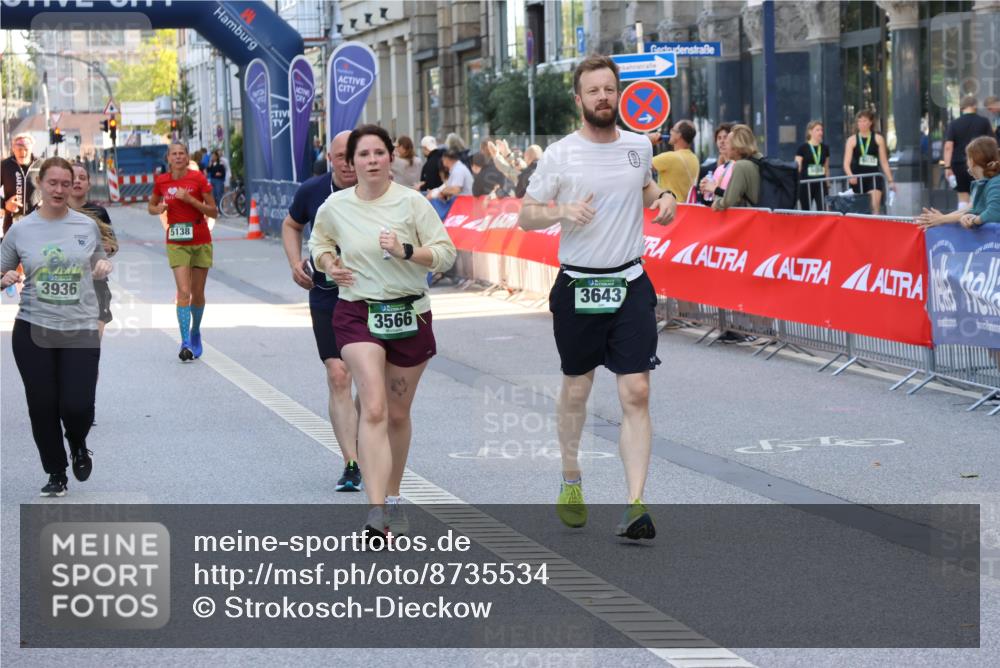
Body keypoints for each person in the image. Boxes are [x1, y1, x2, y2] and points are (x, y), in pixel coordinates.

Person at [517, 55, 677, 540]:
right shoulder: (561, 154)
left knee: (637, 391)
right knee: (578, 388)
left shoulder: (638, 146)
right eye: (594, 91)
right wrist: (562, 209)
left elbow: (648, 191)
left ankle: (635, 504)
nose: (603, 97)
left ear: (618, 93)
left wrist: (665, 200)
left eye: (609, 89)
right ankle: (571, 477)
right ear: (579, 99)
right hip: (579, 285)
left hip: (629, 282)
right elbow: (525, 215)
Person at [309, 124, 457, 538]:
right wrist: (328, 264)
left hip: (410, 314)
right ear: (350, 163)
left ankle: (393, 497)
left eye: (379, 153)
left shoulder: (412, 204)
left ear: (391, 158)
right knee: (372, 407)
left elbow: (446, 253)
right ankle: (376, 513)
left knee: (397, 414)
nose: (372, 160)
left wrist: (406, 251)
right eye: (363, 155)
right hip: (357, 311)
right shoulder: (334, 207)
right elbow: (319, 244)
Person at [1, 157, 113, 497]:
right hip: (33, 328)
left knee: (78, 406)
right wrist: (4, 276)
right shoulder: (21, 229)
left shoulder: (85, 226)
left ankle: (77, 442)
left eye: (66, 183)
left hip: (79, 328)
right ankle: (56, 471)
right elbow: (2, 269)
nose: (60, 190)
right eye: (53, 183)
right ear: (40, 184)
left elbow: (98, 260)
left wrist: (102, 266)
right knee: (42, 404)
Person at [281, 130, 363, 492]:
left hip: (375, 295)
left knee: (375, 380)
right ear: (329, 158)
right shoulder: (313, 191)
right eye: (340, 156)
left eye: (353, 155)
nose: (348, 163)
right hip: (328, 295)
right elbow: (291, 224)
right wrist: (295, 261)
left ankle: (366, 430)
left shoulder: (381, 192)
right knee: (339, 374)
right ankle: (351, 462)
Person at [147, 142, 218, 361]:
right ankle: (185, 341)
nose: (178, 157)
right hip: (176, 241)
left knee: (198, 294)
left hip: (200, 239)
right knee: (183, 292)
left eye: (182, 153)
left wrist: (189, 199)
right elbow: (151, 206)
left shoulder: (198, 180)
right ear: (168, 158)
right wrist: (158, 209)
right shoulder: (162, 181)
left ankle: (195, 331)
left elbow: (213, 210)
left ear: (187, 157)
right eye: (174, 154)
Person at [68, 164, 118, 337]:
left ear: (89, 184)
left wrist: (106, 248)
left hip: (96, 282)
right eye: (73, 177)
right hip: (65, 283)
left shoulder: (99, 212)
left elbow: (113, 245)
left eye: (82, 178)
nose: (77, 181)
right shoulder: (54, 211)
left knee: (93, 342)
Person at [917, 136, 1000, 230]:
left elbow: (994, 213)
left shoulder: (995, 183)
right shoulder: (986, 183)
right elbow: (971, 209)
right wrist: (941, 218)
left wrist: (973, 220)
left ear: (972, 160)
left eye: (967, 157)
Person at [943, 96, 994, 209]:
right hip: (980, 163)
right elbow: (992, 143)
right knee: (979, 193)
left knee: (962, 194)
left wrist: (947, 167)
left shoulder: (954, 124)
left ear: (962, 107)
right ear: (974, 105)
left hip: (959, 164)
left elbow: (948, 146)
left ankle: (962, 222)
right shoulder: (984, 122)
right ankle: (975, 220)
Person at [843, 110, 896, 214]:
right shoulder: (852, 140)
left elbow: (884, 162)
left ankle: (874, 227)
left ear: (870, 122)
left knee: (874, 207)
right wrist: (850, 175)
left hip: (874, 177)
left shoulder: (878, 138)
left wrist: (890, 181)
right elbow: (846, 163)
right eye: (859, 121)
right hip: (857, 178)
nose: (861, 124)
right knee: (859, 210)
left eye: (864, 121)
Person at [712, 125, 761, 211]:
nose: (725, 146)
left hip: (752, 219)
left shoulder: (740, 166)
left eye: (728, 143)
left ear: (736, 148)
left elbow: (728, 201)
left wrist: (716, 203)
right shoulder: (758, 159)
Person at [651, 120, 700, 202]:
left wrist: (650, 142)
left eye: (673, 130)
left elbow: (639, 164)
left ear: (679, 135)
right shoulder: (694, 158)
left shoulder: (671, 158)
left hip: (669, 208)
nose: (670, 132)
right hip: (684, 208)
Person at [2, 133, 41, 235]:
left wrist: (46, 202)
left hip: (38, 222)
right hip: (11, 222)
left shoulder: (42, 165)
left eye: (26, 149)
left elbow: (53, 190)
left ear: (31, 148)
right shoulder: (4, 166)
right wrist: (4, 204)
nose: (22, 152)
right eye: (19, 149)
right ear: (13, 149)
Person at [795, 120, 831, 210]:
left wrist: (827, 183)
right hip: (806, 184)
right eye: (817, 130)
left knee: (823, 209)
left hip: (821, 183)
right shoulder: (802, 148)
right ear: (810, 132)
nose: (820, 132)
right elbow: (797, 167)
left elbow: (826, 167)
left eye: (821, 130)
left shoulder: (825, 148)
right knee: (806, 210)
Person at [698, 123, 734, 206]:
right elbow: (707, 202)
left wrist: (714, 189)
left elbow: (734, 197)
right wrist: (704, 190)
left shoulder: (737, 165)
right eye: (719, 138)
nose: (722, 141)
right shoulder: (714, 169)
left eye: (725, 137)